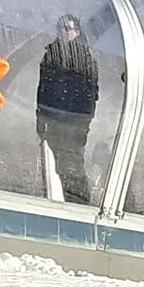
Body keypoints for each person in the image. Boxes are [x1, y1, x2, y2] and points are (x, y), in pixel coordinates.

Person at [35, 14, 100, 204]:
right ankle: (70, 199)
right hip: (52, 116)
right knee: (61, 163)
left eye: (68, 29)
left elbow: (91, 92)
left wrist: (83, 120)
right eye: (61, 28)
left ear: (77, 32)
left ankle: (80, 203)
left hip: (74, 120)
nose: (64, 32)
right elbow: (43, 88)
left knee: (73, 163)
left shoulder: (84, 56)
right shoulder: (51, 53)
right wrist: (40, 117)